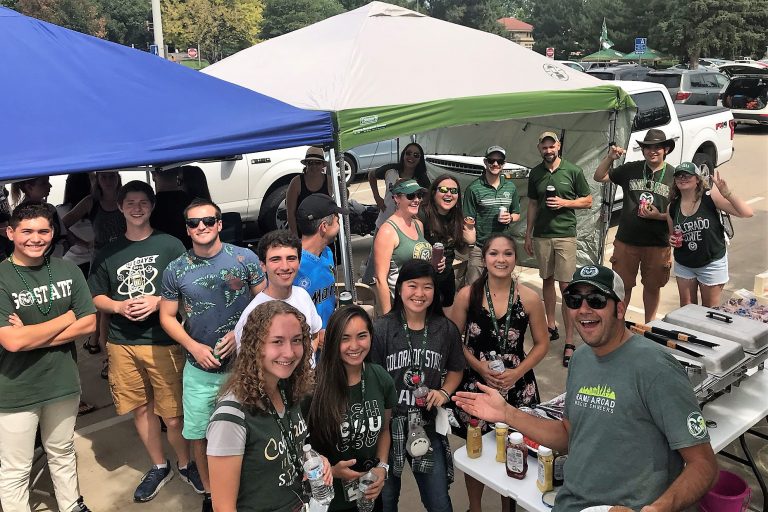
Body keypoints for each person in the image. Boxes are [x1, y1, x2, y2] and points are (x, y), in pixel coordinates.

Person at [453, 264, 718, 512]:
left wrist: (657, 509)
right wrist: (507, 414)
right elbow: (569, 436)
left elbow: (703, 464)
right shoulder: (580, 359)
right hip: (572, 503)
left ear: (620, 309)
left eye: (596, 300)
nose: (584, 309)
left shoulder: (656, 368)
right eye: (574, 300)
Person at [88, 181, 203, 502]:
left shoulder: (170, 245)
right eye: (130, 202)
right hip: (122, 343)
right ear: (120, 207)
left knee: (173, 414)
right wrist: (118, 306)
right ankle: (158, 465)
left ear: (151, 207)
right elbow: (95, 295)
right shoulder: (108, 252)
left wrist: (159, 302)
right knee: (140, 409)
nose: (136, 208)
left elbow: (189, 288)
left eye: (143, 202)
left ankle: (185, 463)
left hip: (163, 341)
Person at [159, 198, 266, 512]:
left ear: (219, 224)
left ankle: (251, 484)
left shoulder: (244, 257)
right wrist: (192, 346)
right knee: (200, 434)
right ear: (187, 229)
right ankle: (210, 494)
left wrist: (240, 332)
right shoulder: (176, 269)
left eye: (208, 220)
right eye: (194, 223)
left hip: (245, 367)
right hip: (199, 370)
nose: (201, 227)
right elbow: (166, 316)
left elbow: (263, 302)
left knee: (254, 427)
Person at [0, 202, 97, 512]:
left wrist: (31, 334)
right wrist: (66, 318)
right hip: (15, 389)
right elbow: (11, 342)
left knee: (62, 450)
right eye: (26, 231)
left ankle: (71, 505)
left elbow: (90, 322)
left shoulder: (67, 269)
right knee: (16, 468)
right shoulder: (2, 277)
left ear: (53, 232)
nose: (35, 238)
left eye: (43, 230)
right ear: (10, 232)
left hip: (62, 382)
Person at [448, 232, 548, 512]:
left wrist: (518, 373)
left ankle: (509, 507)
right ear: (484, 257)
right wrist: (479, 366)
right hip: (475, 385)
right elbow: (454, 340)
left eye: (507, 253)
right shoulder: (467, 295)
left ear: (516, 258)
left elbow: (541, 345)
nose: (500, 259)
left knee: (513, 448)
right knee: (475, 449)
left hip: (517, 386)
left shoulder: (529, 298)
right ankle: (475, 507)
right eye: (494, 253)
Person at [206, 300, 332, 512]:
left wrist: (316, 460)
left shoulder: (287, 388)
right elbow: (223, 508)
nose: (290, 352)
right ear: (255, 346)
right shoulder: (231, 416)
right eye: (277, 342)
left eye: (297, 340)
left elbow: (288, 448)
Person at [370, 259, 465, 512]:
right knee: (386, 501)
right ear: (399, 288)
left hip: (427, 424)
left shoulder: (445, 330)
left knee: (439, 501)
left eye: (428, 287)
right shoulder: (381, 329)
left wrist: (444, 392)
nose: (420, 294)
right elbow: (370, 378)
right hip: (388, 430)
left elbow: (456, 369)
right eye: (413, 285)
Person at [306, 305, 395, 511]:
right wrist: (332, 471)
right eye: (344, 338)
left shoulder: (380, 377)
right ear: (333, 341)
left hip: (369, 492)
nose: (354, 346)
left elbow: (384, 430)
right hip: (329, 499)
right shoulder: (313, 387)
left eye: (361, 336)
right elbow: (301, 447)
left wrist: (382, 467)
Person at [524, 131, 592, 366]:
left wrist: (565, 203)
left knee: (567, 286)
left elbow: (588, 200)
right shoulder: (536, 172)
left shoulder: (572, 171)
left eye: (552, 147)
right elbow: (532, 203)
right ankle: (551, 325)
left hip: (565, 235)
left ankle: (570, 341)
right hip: (542, 235)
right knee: (547, 279)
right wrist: (528, 233)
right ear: (539, 148)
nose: (548, 151)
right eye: (544, 147)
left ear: (559, 146)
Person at [594, 129, 676, 322]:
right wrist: (610, 157)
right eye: (648, 147)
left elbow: (678, 212)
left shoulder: (674, 175)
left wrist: (659, 216)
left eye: (657, 147)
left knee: (652, 286)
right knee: (623, 286)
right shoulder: (631, 169)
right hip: (627, 241)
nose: (652, 151)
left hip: (657, 243)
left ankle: (650, 325)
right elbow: (599, 176)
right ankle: (619, 325)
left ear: (665, 149)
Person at [63, 171, 125, 371]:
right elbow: (64, 223)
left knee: (121, 307)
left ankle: (102, 344)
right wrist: (81, 242)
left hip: (125, 258)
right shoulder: (91, 202)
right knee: (104, 311)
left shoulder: (126, 198)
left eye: (112, 176)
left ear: (118, 178)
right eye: (104, 177)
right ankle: (109, 358)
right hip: (101, 261)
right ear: (97, 180)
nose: (108, 181)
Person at [666, 162, 752, 307]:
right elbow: (672, 234)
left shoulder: (709, 197)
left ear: (697, 179)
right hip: (685, 263)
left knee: (709, 310)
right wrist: (672, 240)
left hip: (711, 262)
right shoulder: (672, 206)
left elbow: (746, 213)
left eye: (687, 175)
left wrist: (727, 193)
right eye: (679, 175)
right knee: (686, 307)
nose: (683, 178)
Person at [234, 230, 322, 356]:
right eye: (276, 259)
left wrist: (305, 364)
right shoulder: (252, 314)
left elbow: (314, 334)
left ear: (299, 262)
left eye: (291, 258)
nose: (285, 266)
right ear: (263, 266)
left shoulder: (303, 295)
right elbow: (248, 367)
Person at [362, 142, 430, 284]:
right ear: (403, 154)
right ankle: (367, 286)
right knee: (374, 260)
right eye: (408, 153)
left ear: (420, 159)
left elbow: (428, 197)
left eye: (416, 155)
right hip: (384, 222)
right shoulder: (391, 170)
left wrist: (416, 208)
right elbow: (371, 175)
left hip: (406, 227)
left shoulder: (421, 178)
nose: (411, 157)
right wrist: (377, 197)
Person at [372, 179, 437, 314]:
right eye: (410, 196)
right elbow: (380, 280)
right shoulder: (388, 231)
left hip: (422, 302)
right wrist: (388, 319)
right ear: (397, 198)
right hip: (400, 307)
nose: (416, 200)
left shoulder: (418, 224)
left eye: (419, 195)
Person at [294, 194, 345, 361]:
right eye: (337, 221)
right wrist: (312, 335)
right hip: (306, 353)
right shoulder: (292, 265)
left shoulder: (327, 252)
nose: (339, 225)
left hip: (330, 345)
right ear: (324, 226)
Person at [463, 145, 521, 285]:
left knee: (500, 287)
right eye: (491, 160)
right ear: (485, 162)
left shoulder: (510, 187)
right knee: (473, 287)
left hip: (502, 246)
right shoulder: (473, 188)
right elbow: (468, 219)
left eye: (499, 161)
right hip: (480, 246)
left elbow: (517, 213)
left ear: (504, 164)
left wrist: (511, 217)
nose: (495, 164)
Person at [419, 174, 476, 311]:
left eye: (454, 191)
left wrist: (470, 242)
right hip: (424, 279)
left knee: (446, 320)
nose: (449, 194)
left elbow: (461, 251)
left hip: (447, 278)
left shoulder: (457, 218)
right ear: (434, 193)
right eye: (443, 190)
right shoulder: (422, 215)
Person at [286, 146, 332, 237]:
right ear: (306, 164)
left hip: (324, 231)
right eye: (310, 163)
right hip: (303, 233)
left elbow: (341, 199)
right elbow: (290, 212)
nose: (314, 166)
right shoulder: (296, 182)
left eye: (317, 163)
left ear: (323, 165)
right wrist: (295, 235)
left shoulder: (330, 181)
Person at [151, 168, 194, 248]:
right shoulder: (193, 204)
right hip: (189, 253)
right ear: (179, 173)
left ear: (153, 175)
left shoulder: (148, 208)